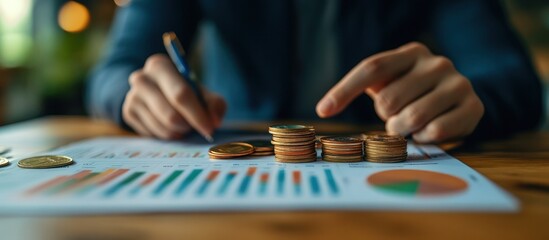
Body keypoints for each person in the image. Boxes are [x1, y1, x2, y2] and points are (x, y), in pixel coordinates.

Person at [87, 0, 543, 143]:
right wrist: (132, 96)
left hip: (379, 159)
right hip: (231, 149)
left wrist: (469, 99)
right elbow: (114, 70)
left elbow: (513, 78)